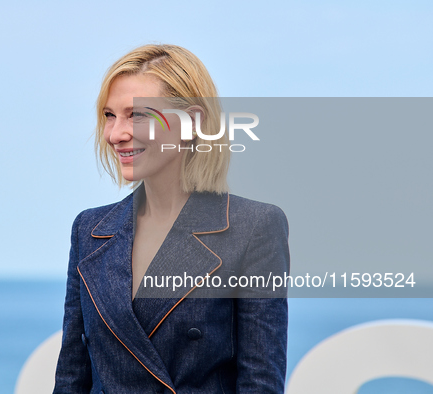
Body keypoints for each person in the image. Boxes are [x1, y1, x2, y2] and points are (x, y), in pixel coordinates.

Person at [53, 44, 289, 394]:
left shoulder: (254, 227)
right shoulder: (89, 230)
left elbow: (260, 383)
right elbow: (71, 379)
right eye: (109, 115)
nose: (116, 134)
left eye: (136, 115)